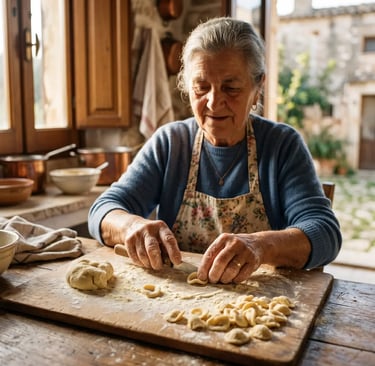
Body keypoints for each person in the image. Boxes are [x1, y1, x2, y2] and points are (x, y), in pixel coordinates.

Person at [88, 17, 341, 284]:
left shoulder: (282, 145)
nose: (213, 101)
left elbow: (325, 233)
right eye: (201, 87)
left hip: (258, 307)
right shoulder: (170, 143)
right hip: (177, 302)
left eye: (230, 88)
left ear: (257, 89)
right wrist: (131, 226)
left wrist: (260, 246)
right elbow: (102, 210)